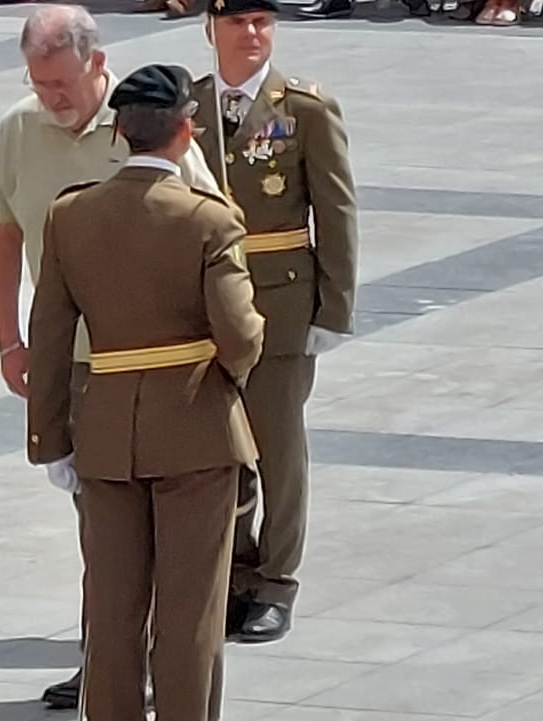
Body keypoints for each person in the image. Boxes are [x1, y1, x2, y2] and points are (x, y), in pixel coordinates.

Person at [0, 4, 220, 708]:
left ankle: (150, 666)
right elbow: (2, 233)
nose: (50, 98)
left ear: (96, 64)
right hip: (75, 362)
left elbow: (212, 230)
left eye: (61, 82)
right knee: (104, 533)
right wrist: (10, 337)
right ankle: (110, 663)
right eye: (38, 82)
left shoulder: (144, 128)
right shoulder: (17, 129)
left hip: (157, 366)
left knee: (163, 541)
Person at [26, 62, 265, 721]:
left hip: (104, 435)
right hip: (196, 431)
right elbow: (241, 336)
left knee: (111, 612)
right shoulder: (208, 221)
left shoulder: (70, 216)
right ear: (186, 132)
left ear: (120, 133)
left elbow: (47, 337)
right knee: (189, 616)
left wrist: (50, 440)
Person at [194, 0, 359, 644]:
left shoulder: (303, 109)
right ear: (212, 30)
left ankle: (277, 579)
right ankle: (231, 571)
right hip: (208, 304)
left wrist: (333, 309)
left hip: (281, 303)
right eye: (238, 23)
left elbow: (335, 211)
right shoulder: (194, 106)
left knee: (278, 449)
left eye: (263, 21)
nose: (252, 34)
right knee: (218, 445)